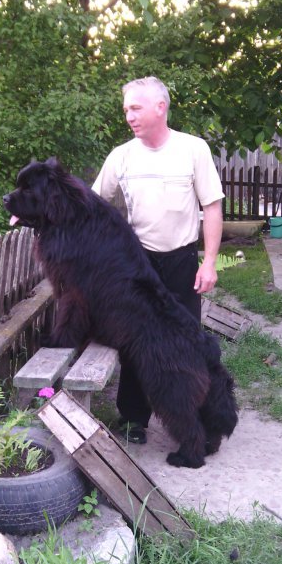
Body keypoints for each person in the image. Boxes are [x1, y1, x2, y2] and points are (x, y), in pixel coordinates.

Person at [92, 76, 224, 444]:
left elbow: (211, 205)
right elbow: (93, 205)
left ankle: (191, 420)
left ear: (160, 107)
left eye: (135, 108)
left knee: (182, 345)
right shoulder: (121, 156)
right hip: (138, 268)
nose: (129, 117)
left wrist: (209, 261)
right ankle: (133, 418)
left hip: (182, 263)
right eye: (126, 110)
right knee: (136, 344)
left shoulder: (192, 149)